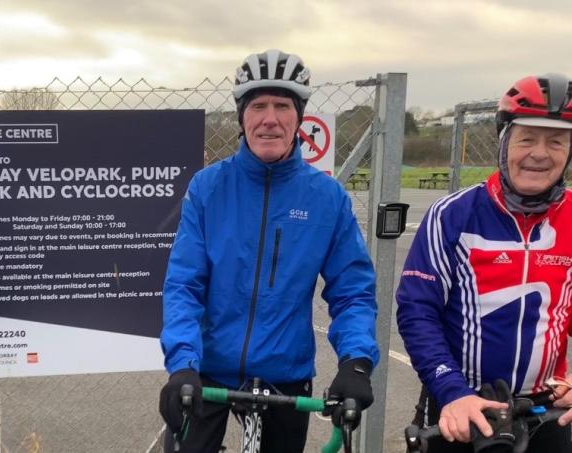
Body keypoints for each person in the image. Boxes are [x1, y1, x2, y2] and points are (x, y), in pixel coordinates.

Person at [158, 49, 379, 453]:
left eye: (282, 105)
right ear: (242, 116)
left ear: (299, 117)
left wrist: (356, 361)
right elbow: (183, 285)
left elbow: (352, 292)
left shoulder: (326, 198)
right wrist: (182, 365)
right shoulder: (208, 188)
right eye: (258, 105)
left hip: (286, 372)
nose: (270, 118)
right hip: (208, 370)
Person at [396, 73, 572, 452]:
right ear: (504, 140)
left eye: (556, 142)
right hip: (465, 407)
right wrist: (451, 390)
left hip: (548, 407)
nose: (540, 153)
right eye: (527, 139)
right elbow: (417, 311)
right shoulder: (451, 215)